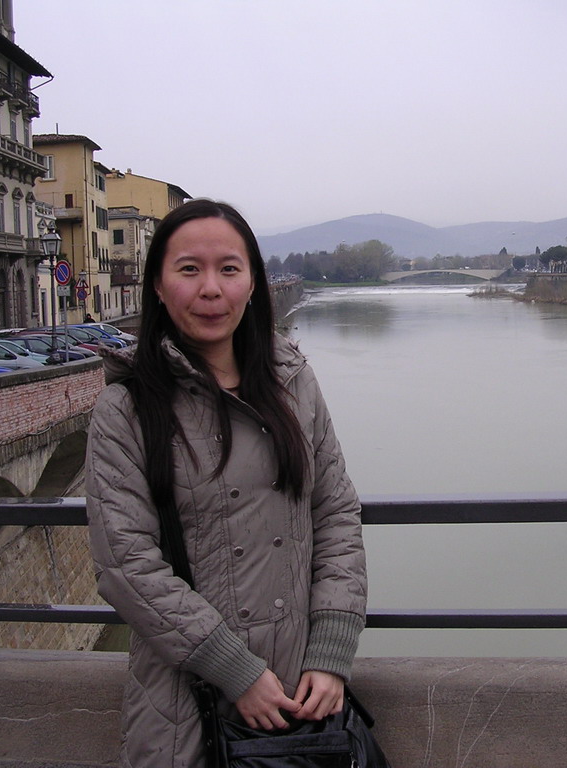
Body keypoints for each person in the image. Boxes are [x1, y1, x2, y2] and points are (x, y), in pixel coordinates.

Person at [85, 199, 367, 767]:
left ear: (254, 285)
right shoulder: (126, 410)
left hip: (302, 699)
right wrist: (235, 672)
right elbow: (126, 565)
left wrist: (331, 649)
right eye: (189, 270)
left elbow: (335, 512)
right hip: (186, 704)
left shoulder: (295, 384)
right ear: (159, 288)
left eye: (229, 269)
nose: (211, 289)